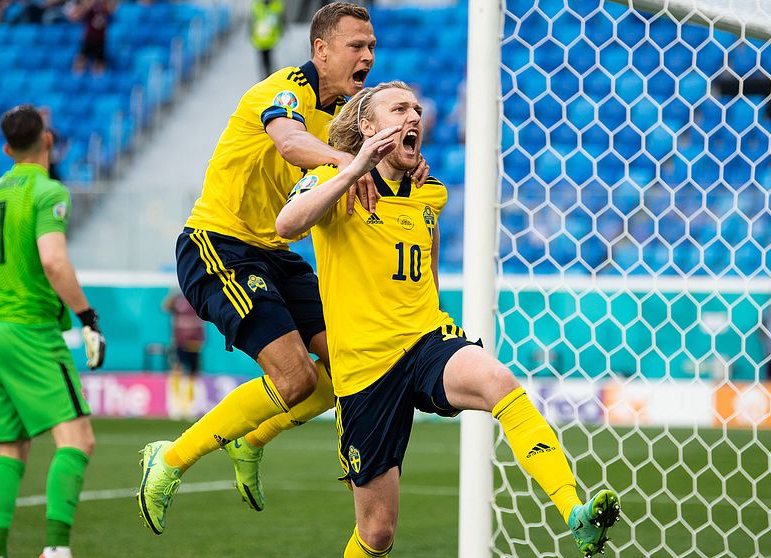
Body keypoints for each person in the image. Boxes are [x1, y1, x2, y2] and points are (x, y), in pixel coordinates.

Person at [275, 81, 621, 558]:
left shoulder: (430, 192)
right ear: (368, 125)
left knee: (498, 379)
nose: (413, 115)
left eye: (417, 108)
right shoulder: (335, 180)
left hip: (423, 341)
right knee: (378, 532)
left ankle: (573, 512)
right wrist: (350, 168)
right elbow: (286, 225)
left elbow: (429, 271)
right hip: (364, 369)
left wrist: (437, 326)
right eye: (399, 109)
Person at [137, 2, 430, 536]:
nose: (367, 56)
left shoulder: (347, 117)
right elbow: (292, 143)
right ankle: (170, 459)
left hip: (277, 254)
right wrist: (352, 161)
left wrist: (402, 166)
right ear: (321, 50)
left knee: (342, 370)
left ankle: (251, 440)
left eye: (372, 47)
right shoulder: (286, 90)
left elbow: (364, 173)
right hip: (218, 244)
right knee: (295, 378)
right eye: (355, 46)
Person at [0, 104, 106, 558]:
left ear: (7, 148)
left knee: (10, 450)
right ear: (48, 141)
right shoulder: (48, 192)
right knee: (78, 439)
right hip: (30, 329)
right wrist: (87, 317)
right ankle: (56, 550)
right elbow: (52, 259)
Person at [162, 290, 205, 418]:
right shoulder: (177, 299)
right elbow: (165, 307)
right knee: (177, 370)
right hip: (179, 342)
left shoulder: (198, 298)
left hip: (194, 342)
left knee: (193, 373)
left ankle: (190, 405)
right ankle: (176, 405)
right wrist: (173, 293)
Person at [70, 0, 115, 76]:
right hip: (89, 38)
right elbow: (75, 16)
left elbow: (112, 9)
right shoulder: (89, 8)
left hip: (100, 40)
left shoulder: (105, 8)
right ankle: (76, 77)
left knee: (99, 61)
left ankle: (98, 80)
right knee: (81, 58)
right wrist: (89, 4)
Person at [250, 0, 285, 79]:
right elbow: (252, 20)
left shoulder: (277, 5)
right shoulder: (257, 5)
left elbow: (281, 20)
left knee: (270, 60)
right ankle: (265, 78)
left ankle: (270, 77)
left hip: (272, 38)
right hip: (260, 38)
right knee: (263, 60)